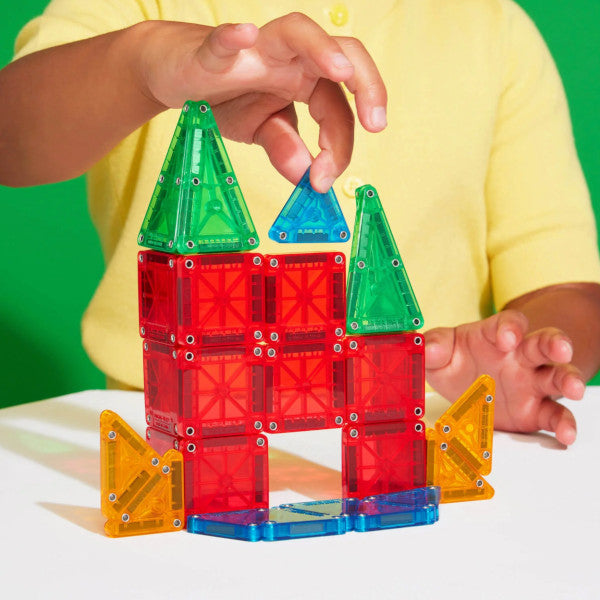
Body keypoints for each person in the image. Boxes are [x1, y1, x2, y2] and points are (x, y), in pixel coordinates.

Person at [1, 0, 599, 446]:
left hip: (413, 424)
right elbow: (11, 139)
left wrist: (524, 359)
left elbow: (566, 283)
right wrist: (140, 64)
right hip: (179, 431)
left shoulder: (493, 28)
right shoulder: (137, 8)